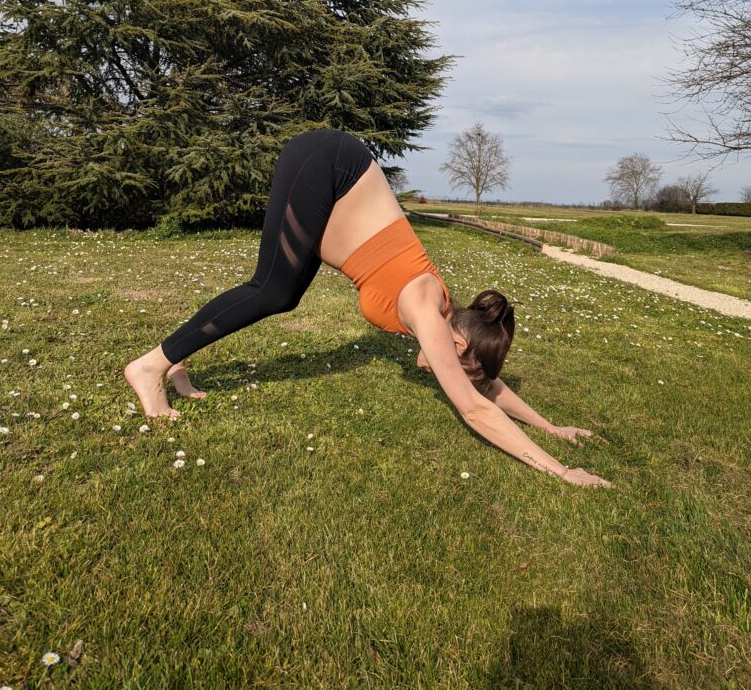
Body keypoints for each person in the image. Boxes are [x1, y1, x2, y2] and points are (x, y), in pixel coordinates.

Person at [125, 127, 611, 487]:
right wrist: (562, 471)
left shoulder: (446, 314)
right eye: (459, 365)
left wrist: (552, 428)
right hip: (330, 163)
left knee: (283, 292)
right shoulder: (426, 307)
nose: (446, 374)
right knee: (271, 288)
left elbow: (487, 386)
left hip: (336, 171)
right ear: (456, 341)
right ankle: (150, 366)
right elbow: (474, 408)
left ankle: (178, 360)